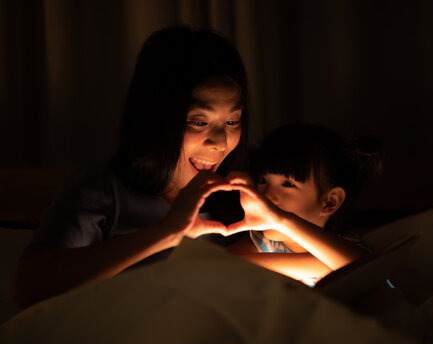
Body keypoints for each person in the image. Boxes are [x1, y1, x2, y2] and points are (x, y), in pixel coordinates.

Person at [12, 26, 250, 308]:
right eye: (199, 122)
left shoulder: (234, 205)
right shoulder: (102, 192)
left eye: (232, 122)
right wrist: (168, 231)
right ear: (156, 119)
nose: (221, 143)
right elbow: (30, 290)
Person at [225, 124, 382, 285]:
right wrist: (325, 268)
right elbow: (225, 264)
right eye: (262, 181)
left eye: (287, 184)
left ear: (330, 202)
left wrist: (283, 220)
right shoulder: (258, 243)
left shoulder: (349, 247)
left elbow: (368, 269)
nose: (266, 195)